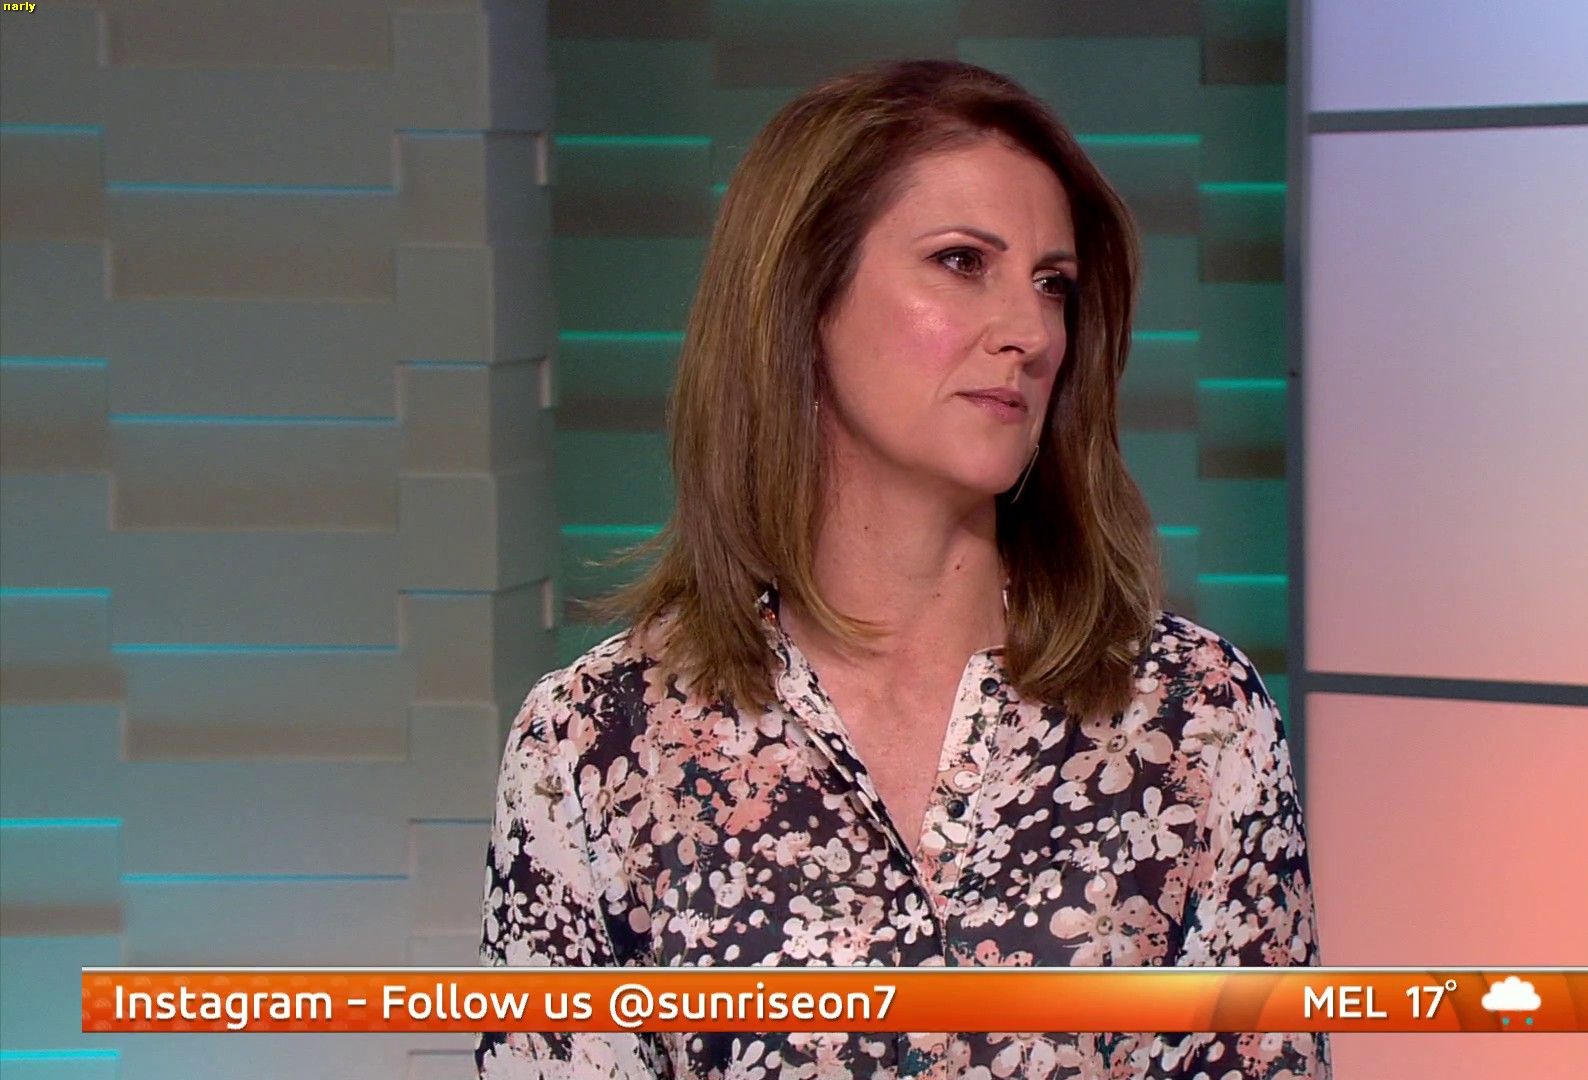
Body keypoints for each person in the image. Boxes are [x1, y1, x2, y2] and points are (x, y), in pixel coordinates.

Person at [477, 58, 1328, 1080]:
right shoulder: (594, 746)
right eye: (963, 262)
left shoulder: (1195, 717)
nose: (1030, 333)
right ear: (805, 296)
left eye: (1052, 285)